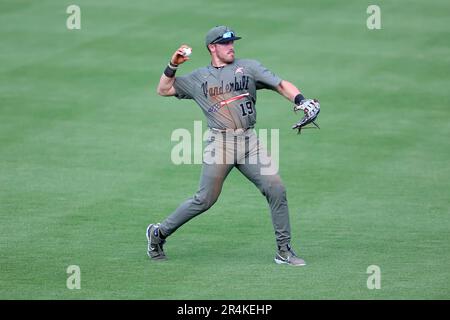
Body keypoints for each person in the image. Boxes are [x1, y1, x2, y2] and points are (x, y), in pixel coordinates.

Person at [148, 26, 318, 266]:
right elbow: (163, 89)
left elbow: (280, 84)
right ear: (212, 47)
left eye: (232, 42)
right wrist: (173, 64)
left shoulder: (249, 68)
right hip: (221, 143)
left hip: (249, 141)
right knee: (205, 199)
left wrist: (302, 100)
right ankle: (158, 233)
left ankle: (284, 250)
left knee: (276, 188)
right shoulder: (198, 78)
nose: (231, 47)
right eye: (225, 43)